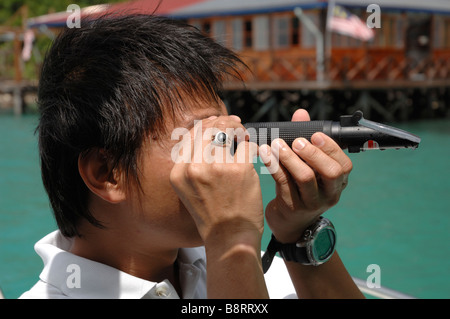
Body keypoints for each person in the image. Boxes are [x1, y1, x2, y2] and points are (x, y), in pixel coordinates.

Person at [20, 14, 364, 299]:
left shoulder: (246, 266)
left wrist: (298, 233)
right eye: (208, 137)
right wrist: (231, 238)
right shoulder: (236, 256)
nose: (240, 155)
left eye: (231, 132)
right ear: (107, 172)